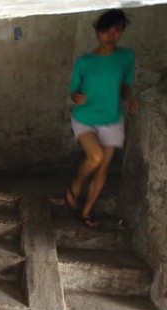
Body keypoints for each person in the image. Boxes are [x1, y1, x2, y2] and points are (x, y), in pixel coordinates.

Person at [65, 9, 139, 227]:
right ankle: (76, 184)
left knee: (103, 169)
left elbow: (124, 86)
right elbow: (74, 91)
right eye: (106, 30)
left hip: (112, 119)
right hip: (85, 118)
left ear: (122, 32)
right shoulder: (84, 62)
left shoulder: (126, 57)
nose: (111, 36)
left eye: (117, 30)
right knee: (95, 157)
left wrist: (130, 99)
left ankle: (87, 211)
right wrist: (77, 97)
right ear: (97, 32)